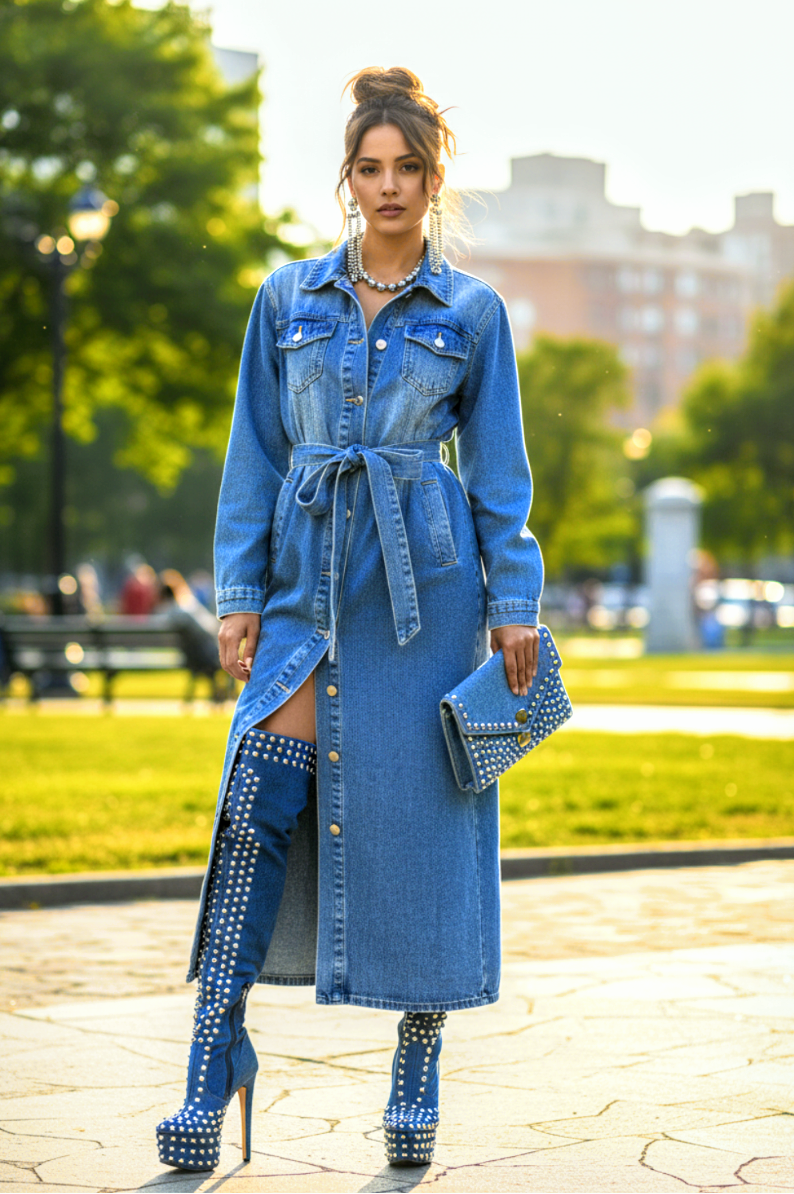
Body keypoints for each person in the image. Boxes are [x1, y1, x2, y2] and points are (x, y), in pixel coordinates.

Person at [156, 65, 544, 1174]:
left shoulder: (473, 315)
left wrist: (512, 603)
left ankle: (415, 1072)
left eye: (407, 169)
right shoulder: (285, 300)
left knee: (428, 826)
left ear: (432, 179)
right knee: (251, 802)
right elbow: (254, 456)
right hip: (304, 592)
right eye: (368, 169)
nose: (387, 187)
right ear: (346, 178)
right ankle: (210, 1055)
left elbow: (499, 478)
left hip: (427, 600)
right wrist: (238, 592)